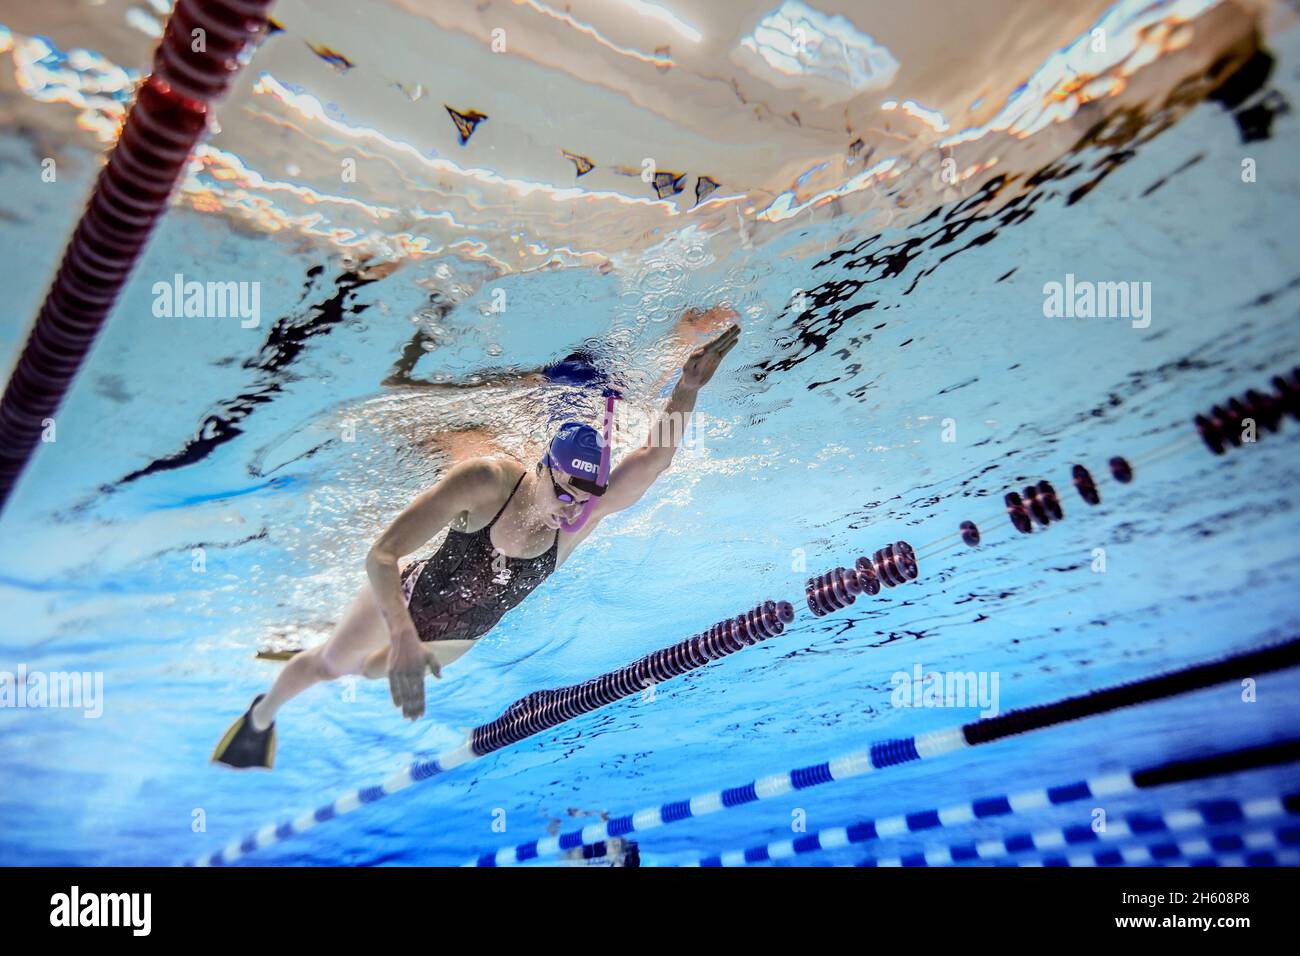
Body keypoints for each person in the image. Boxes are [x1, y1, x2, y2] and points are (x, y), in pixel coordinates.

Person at [212, 320, 741, 768]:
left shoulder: (584, 514)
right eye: (564, 491)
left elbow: (654, 458)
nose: (574, 509)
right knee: (332, 665)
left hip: (457, 640)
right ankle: (261, 716)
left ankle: (349, 645)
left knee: (370, 671)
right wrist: (401, 634)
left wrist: (688, 388)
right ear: (542, 467)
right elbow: (381, 555)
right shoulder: (487, 482)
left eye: (588, 497)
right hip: (406, 597)